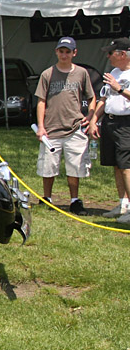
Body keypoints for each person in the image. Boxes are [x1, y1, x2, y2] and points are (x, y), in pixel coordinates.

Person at [35, 37, 95, 214]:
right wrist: (41, 126)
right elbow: (41, 101)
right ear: (56, 52)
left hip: (75, 127)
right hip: (51, 128)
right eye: (61, 51)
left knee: (75, 166)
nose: (64, 55)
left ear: (74, 53)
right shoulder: (47, 74)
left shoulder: (81, 73)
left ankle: (75, 200)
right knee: (48, 166)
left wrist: (90, 116)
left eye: (68, 52)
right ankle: (47, 198)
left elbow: (92, 97)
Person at [88, 37, 130, 223]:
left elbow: (119, 92)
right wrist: (94, 120)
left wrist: (119, 88)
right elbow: (104, 99)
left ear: (123, 54)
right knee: (116, 164)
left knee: (126, 166)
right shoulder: (113, 71)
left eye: (111, 52)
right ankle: (123, 203)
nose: (108, 55)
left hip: (126, 124)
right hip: (110, 123)